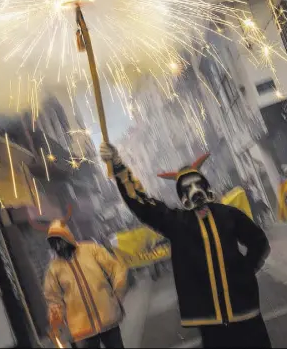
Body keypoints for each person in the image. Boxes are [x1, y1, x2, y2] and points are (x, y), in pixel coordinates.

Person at [100, 143, 272, 348]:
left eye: (198, 184)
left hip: (245, 309)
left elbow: (258, 241)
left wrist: (245, 271)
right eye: (187, 188)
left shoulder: (228, 215)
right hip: (210, 320)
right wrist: (119, 166)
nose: (194, 191)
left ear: (206, 187)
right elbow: (142, 204)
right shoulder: (177, 223)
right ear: (182, 196)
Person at [44, 219, 128, 348]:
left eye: (60, 240)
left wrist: (118, 293)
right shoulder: (54, 268)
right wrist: (59, 327)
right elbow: (53, 299)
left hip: (108, 318)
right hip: (82, 331)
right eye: (54, 243)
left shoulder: (91, 249)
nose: (59, 246)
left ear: (67, 237)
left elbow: (116, 268)